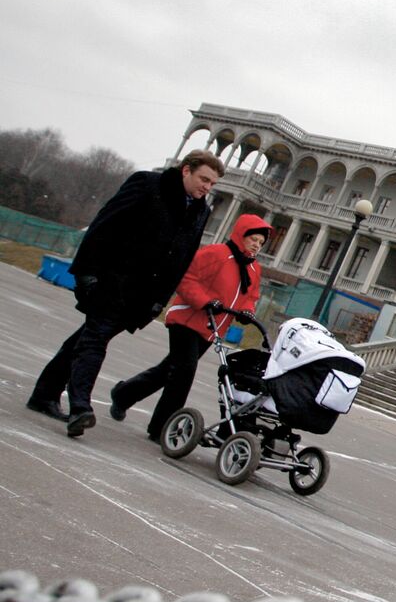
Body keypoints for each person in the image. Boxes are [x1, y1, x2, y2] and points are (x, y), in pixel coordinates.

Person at [25, 150, 223, 438]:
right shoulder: (147, 185)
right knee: (94, 340)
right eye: (203, 179)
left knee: (86, 339)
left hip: (142, 297)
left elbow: (183, 257)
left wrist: (159, 300)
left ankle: (44, 394)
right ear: (185, 170)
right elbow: (104, 225)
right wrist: (87, 273)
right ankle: (80, 407)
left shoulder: (200, 210)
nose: (206, 187)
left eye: (212, 184)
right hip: (110, 281)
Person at [110, 213, 271, 442]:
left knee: (169, 370)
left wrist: (247, 312)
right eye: (253, 238)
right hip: (187, 320)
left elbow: (250, 297)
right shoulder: (216, 254)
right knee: (183, 373)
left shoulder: (254, 269)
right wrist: (205, 301)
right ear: (241, 234)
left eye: (261, 243)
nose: (256, 245)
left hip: (212, 328)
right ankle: (162, 427)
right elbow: (186, 278)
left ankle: (124, 394)